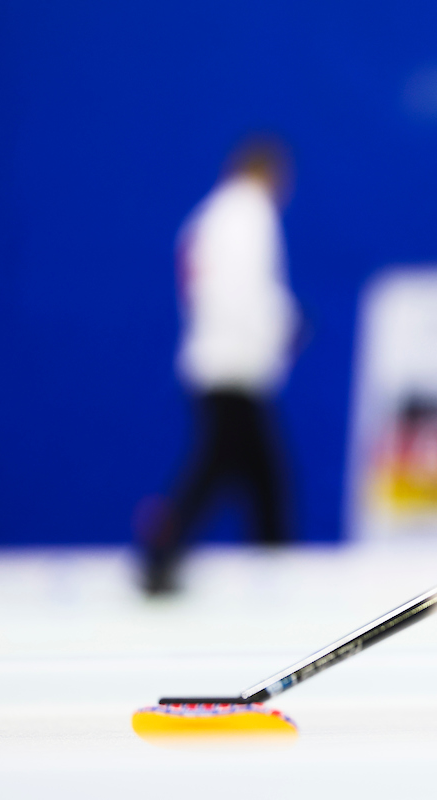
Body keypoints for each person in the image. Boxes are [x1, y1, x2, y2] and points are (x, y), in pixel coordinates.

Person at [141, 137, 300, 596]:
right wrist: (281, 327)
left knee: (255, 472)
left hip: (215, 360)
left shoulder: (208, 218)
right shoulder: (249, 214)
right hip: (235, 364)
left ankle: (272, 559)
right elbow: (246, 290)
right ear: (269, 172)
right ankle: (163, 550)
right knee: (224, 468)